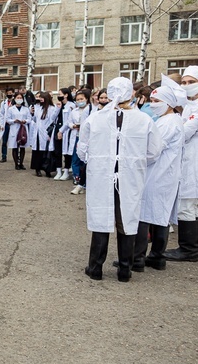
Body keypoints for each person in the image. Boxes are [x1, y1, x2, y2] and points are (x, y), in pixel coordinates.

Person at [77, 77, 163, 282]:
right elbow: (154, 151)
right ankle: (125, 270)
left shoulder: (95, 119)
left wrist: (97, 162)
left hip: (101, 177)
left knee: (101, 218)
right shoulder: (143, 119)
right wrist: (134, 163)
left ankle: (95, 268)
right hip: (130, 178)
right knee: (127, 220)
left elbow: (82, 149)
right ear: (130, 93)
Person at [130, 77, 186, 270]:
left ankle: (136, 259)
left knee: (144, 214)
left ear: (169, 103)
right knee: (159, 215)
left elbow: (152, 150)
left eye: (157, 102)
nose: (153, 105)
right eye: (152, 101)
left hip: (156, 175)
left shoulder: (167, 123)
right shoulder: (170, 120)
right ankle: (157, 257)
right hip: (165, 175)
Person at [164, 65, 198, 261]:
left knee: (186, 206)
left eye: (191, 82)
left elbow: (184, 133)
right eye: (184, 82)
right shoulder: (190, 106)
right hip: (189, 160)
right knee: (191, 205)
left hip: (192, 162)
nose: (186, 86)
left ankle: (188, 249)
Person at [61, 89, 92, 188]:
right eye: (77, 99)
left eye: (81, 99)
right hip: (76, 136)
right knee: (75, 158)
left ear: (87, 99)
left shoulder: (91, 110)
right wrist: (73, 126)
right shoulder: (74, 111)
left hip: (87, 137)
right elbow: (69, 122)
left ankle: (85, 178)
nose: (79, 101)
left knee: (85, 158)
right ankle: (76, 176)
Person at [29, 91, 59, 177]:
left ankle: (47, 169)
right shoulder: (38, 108)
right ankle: (37, 169)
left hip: (46, 133)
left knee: (46, 152)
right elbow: (35, 119)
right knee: (37, 151)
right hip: (37, 133)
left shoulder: (52, 108)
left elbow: (52, 120)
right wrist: (32, 113)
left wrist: (49, 133)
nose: (40, 100)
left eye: (42, 98)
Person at [53, 88, 76, 181]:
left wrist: (62, 131)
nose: (59, 96)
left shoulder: (71, 105)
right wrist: (57, 108)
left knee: (66, 152)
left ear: (66, 95)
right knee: (57, 151)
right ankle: (58, 171)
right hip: (57, 129)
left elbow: (70, 119)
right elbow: (52, 118)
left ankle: (66, 171)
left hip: (67, 131)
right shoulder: (59, 105)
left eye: (60, 94)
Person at [5, 92, 31, 170]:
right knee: (15, 147)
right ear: (15, 99)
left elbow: (29, 119)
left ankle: (21, 163)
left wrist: (25, 121)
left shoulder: (26, 109)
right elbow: (7, 119)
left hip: (23, 128)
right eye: (18, 98)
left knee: (22, 147)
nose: (19, 99)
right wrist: (14, 121)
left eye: (20, 98)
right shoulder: (11, 109)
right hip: (14, 128)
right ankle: (16, 164)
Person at [0, 87, 15, 162]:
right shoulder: (3, 103)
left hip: (13, 124)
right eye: (8, 94)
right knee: (4, 141)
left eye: (11, 93)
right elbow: (1, 114)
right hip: (6, 124)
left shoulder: (16, 102)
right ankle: (4, 156)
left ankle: (16, 157)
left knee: (15, 141)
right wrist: (1, 125)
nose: (9, 95)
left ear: (13, 93)